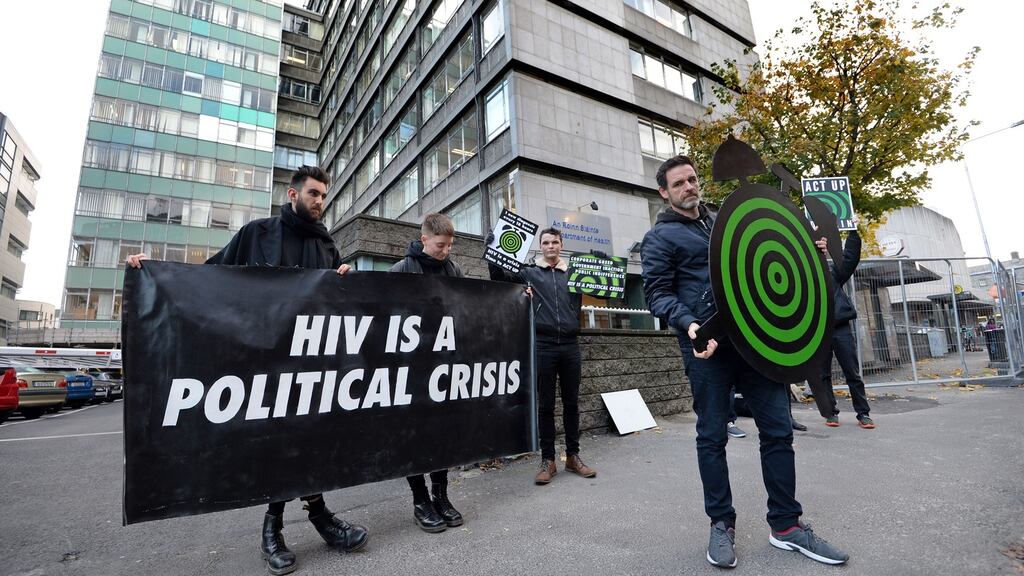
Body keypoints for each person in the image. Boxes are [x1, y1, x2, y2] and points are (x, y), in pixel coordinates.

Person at [127, 165, 368, 576]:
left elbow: (337, 305)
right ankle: (274, 529)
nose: (320, 202)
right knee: (276, 443)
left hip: (310, 364)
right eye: (314, 194)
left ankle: (319, 516)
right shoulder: (257, 234)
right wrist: (156, 274)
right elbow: (210, 277)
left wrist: (344, 277)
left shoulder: (326, 246)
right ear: (293, 196)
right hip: (264, 362)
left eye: (324, 196)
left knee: (310, 441)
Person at [640, 155, 848, 568]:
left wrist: (805, 248)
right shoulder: (659, 239)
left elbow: (761, 260)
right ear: (664, 192)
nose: (689, 187)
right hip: (708, 347)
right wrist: (691, 325)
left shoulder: (723, 222)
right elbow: (657, 294)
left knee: (777, 431)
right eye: (679, 183)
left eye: (692, 179)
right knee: (712, 437)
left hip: (757, 344)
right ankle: (721, 524)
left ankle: (786, 525)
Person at [488, 227, 598, 485]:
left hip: (570, 345)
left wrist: (605, 269)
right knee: (546, 405)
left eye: (555, 242)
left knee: (571, 404)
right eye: (546, 243)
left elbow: (606, 289)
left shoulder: (574, 273)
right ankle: (548, 460)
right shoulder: (529, 273)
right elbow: (500, 278)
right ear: (541, 246)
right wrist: (494, 252)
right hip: (544, 346)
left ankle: (573, 456)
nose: (550, 246)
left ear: (561, 245)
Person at [389, 213, 465, 533]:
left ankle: (441, 495)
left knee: (442, 433)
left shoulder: (454, 269)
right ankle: (421, 500)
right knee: (414, 435)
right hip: (412, 367)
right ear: (424, 240)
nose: (445, 251)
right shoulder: (401, 270)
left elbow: (469, 305)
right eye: (440, 245)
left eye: (449, 246)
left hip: (442, 366)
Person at [805, 222, 874, 429]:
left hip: (840, 327)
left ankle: (863, 414)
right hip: (818, 332)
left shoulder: (832, 273)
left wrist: (853, 231)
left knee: (852, 372)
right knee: (822, 374)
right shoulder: (802, 279)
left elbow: (850, 258)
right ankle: (830, 413)